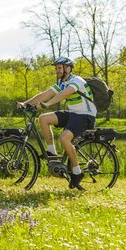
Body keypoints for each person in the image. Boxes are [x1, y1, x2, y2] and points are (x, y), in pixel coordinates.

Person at [17, 56, 96, 190]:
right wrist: (26, 103)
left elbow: (64, 94)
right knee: (43, 119)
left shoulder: (76, 80)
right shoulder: (60, 82)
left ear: (68, 68)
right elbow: (45, 94)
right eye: (56, 68)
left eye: (59, 68)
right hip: (73, 114)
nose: (57, 70)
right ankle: (52, 152)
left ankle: (77, 172)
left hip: (85, 115)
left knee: (64, 138)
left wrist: (47, 104)